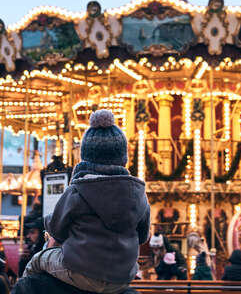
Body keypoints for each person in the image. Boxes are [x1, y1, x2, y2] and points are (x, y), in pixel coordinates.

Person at [23, 109, 150, 294]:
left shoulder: (79, 189)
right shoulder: (138, 194)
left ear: (87, 156)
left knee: (37, 260)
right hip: (121, 278)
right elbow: (143, 235)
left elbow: (56, 227)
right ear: (123, 158)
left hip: (81, 272)